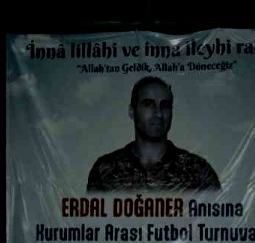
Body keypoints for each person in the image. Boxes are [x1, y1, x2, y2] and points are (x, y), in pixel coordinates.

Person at [86, 76, 220, 192]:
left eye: (165, 105)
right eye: (148, 104)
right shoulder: (105, 170)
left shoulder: (198, 172)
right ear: (132, 112)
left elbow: (218, 213)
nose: (158, 113)